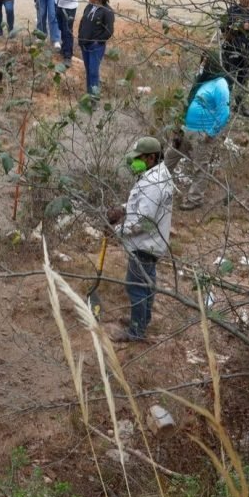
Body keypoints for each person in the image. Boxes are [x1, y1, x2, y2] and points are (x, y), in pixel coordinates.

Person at [106, 136, 174, 343]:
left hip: (144, 244)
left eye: (139, 158)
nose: (134, 162)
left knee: (136, 287)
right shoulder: (159, 174)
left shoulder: (153, 183)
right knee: (147, 284)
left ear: (151, 158)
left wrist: (117, 231)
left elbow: (143, 221)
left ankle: (136, 332)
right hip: (152, 242)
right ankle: (142, 320)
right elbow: (143, 205)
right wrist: (123, 209)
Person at [164, 52, 231, 210]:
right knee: (169, 157)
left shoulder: (220, 84)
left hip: (202, 133)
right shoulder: (202, 81)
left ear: (212, 64)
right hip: (186, 130)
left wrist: (211, 133)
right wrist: (179, 127)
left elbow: (224, 112)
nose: (202, 65)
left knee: (200, 167)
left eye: (205, 62)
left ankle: (195, 199)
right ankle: (156, 187)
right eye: (202, 61)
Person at [78, 0, 115, 97]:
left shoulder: (107, 11)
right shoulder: (89, 7)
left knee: (93, 71)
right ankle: (89, 95)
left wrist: (97, 41)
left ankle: (94, 98)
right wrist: (80, 36)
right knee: (88, 71)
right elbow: (83, 22)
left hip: (95, 47)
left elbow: (109, 31)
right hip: (84, 44)